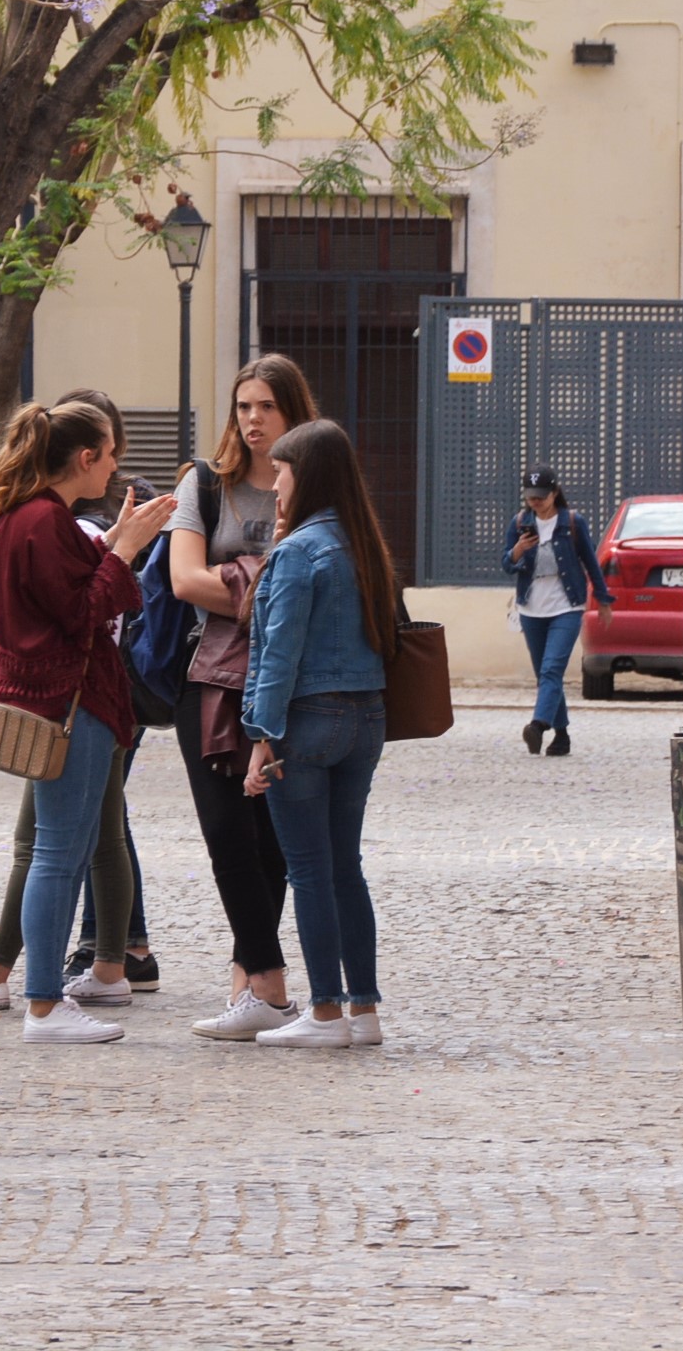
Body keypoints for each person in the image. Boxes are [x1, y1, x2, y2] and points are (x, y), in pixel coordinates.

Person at [0, 400, 173, 1044]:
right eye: (111, 452)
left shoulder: (24, 516)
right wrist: (129, 551)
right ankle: (43, 1003)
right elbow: (81, 611)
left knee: (61, 851)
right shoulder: (44, 520)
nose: (116, 465)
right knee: (60, 855)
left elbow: (66, 590)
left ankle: (44, 998)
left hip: (53, 698)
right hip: (70, 701)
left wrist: (115, 542)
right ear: (85, 458)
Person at [169, 354, 318, 1041]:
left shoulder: (311, 485)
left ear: (292, 412)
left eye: (266, 407)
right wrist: (273, 587)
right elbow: (184, 580)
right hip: (212, 681)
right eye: (243, 407)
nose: (253, 420)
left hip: (293, 681)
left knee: (273, 844)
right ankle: (274, 985)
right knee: (227, 837)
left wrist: (238, 582)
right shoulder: (206, 483)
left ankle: (245, 990)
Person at [240, 419, 398, 1046]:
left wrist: (260, 733)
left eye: (280, 473)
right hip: (367, 719)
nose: (273, 486)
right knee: (345, 867)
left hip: (306, 722)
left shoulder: (299, 552)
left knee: (307, 869)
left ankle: (325, 1012)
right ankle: (364, 1010)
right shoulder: (363, 544)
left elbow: (277, 653)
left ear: (304, 476)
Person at [503, 467, 608, 757]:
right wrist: (518, 551)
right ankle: (561, 736)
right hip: (530, 608)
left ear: (555, 493)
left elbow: (590, 561)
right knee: (545, 674)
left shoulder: (572, 522)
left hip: (567, 606)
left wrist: (603, 599)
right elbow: (506, 563)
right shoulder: (520, 522)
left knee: (552, 669)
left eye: (541, 496)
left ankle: (538, 725)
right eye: (530, 496)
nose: (535, 502)